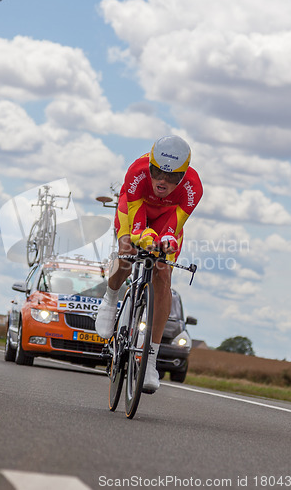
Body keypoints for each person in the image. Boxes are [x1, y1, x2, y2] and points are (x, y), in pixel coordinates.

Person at [95, 135, 203, 393]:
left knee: (163, 274)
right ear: (151, 165)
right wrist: (142, 237)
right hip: (136, 208)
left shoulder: (193, 187)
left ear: (183, 175)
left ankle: (150, 360)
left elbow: (174, 225)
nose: (162, 181)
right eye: (157, 173)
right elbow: (136, 223)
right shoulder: (137, 171)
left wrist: (165, 243)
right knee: (127, 251)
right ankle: (110, 300)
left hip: (168, 216)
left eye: (172, 177)